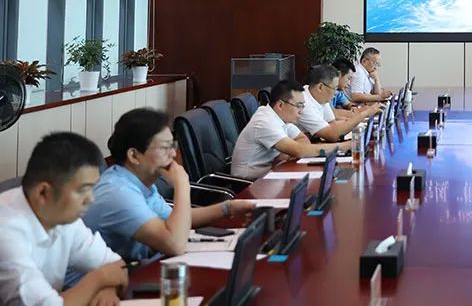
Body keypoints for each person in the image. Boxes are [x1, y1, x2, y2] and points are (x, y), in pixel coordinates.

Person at [83, 109, 255, 261]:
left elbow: (177, 218)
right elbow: (174, 244)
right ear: (134, 156)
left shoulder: (140, 182)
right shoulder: (118, 192)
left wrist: (227, 208)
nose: (173, 153)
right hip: (109, 282)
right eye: (165, 147)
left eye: (173, 145)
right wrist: (182, 184)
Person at [0, 132, 128, 306]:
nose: (91, 199)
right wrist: (99, 279)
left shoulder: (64, 218)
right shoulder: (6, 231)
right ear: (43, 192)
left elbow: (117, 266)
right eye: (83, 189)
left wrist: (107, 290)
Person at [231, 80, 345, 179]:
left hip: (272, 172)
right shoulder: (264, 121)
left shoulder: (281, 117)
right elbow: (300, 150)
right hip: (249, 183)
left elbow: (302, 139)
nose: (301, 111)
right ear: (280, 105)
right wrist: (344, 146)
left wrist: (285, 154)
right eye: (299, 106)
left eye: (303, 106)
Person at [299, 65, 378, 142]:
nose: (336, 93)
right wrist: (363, 114)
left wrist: (355, 121)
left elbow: (332, 123)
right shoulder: (303, 103)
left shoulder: (319, 96)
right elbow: (332, 135)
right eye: (334, 88)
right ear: (320, 87)